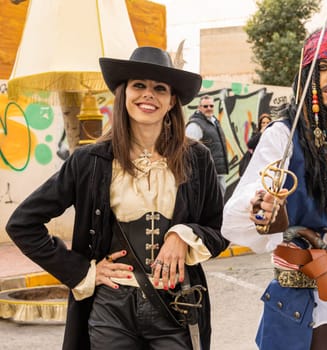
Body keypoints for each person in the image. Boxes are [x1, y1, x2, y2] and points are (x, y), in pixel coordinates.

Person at [5, 46, 229, 350]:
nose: (148, 95)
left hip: (175, 304)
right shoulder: (90, 160)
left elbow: (217, 233)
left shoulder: (197, 159)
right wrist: (85, 271)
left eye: (159, 88)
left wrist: (183, 234)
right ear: (123, 93)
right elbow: (23, 223)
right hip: (111, 307)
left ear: (172, 99)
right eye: (139, 85)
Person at [222, 27, 327, 350]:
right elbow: (239, 209)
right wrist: (261, 206)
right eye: (322, 68)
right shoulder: (283, 136)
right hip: (301, 312)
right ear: (307, 76)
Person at [186, 95, 229, 194]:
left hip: (218, 171)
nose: (209, 108)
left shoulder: (214, 122)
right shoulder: (195, 125)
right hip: (205, 174)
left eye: (211, 106)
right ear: (199, 107)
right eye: (205, 106)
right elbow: (188, 150)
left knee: (219, 203)